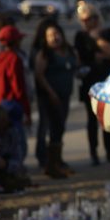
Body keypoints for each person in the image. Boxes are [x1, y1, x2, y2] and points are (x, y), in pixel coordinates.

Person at [74, 2, 110, 165]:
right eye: (84, 20)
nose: (87, 23)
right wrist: (99, 56)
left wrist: (97, 39)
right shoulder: (80, 36)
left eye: (91, 18)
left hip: (107, 81)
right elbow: (81, 58)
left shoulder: (107, 32)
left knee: (108, 118)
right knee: (92, 119)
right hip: (90, 82)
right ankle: (93, 152)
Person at [34, 22, 78, 178]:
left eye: (56, 34)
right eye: (50, 36)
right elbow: (39, 75)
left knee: (59, 129)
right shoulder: (44, 54)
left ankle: (57, 161)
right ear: (45, 39)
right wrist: (51, 93)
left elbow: (75, 67)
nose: (54, 38)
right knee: (50, 129)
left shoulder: (69, 51)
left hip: (65, 96)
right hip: (49, 98)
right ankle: (50, 163)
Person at [30, 17, 59, 168]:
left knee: (55, 126)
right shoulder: (41, 52)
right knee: (44, 126)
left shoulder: (58, 49)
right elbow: (38, 74)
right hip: (45, 95)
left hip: (57, 93)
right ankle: (43, 156)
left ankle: (53, 158)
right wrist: (50, 92)